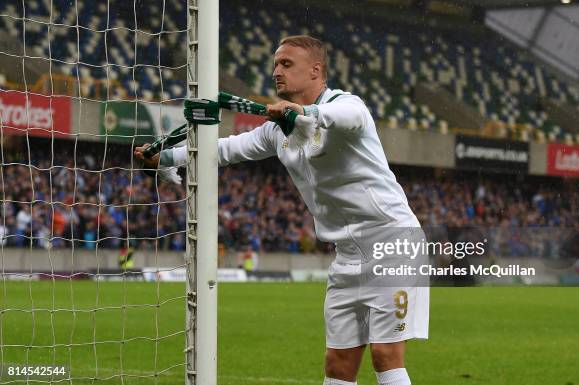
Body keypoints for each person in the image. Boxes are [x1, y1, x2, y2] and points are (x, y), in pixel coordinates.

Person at [135, 35, 428, 385]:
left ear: (316, 70)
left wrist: (306, 112)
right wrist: (166, 157)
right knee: (338, 362)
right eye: (275, 64)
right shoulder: (278, 132)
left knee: (385, 354)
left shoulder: (347, 106)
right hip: (347, 254)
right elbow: (225, 150)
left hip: (393, 243)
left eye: (287, 64)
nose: (277, 71)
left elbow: (345, 116)